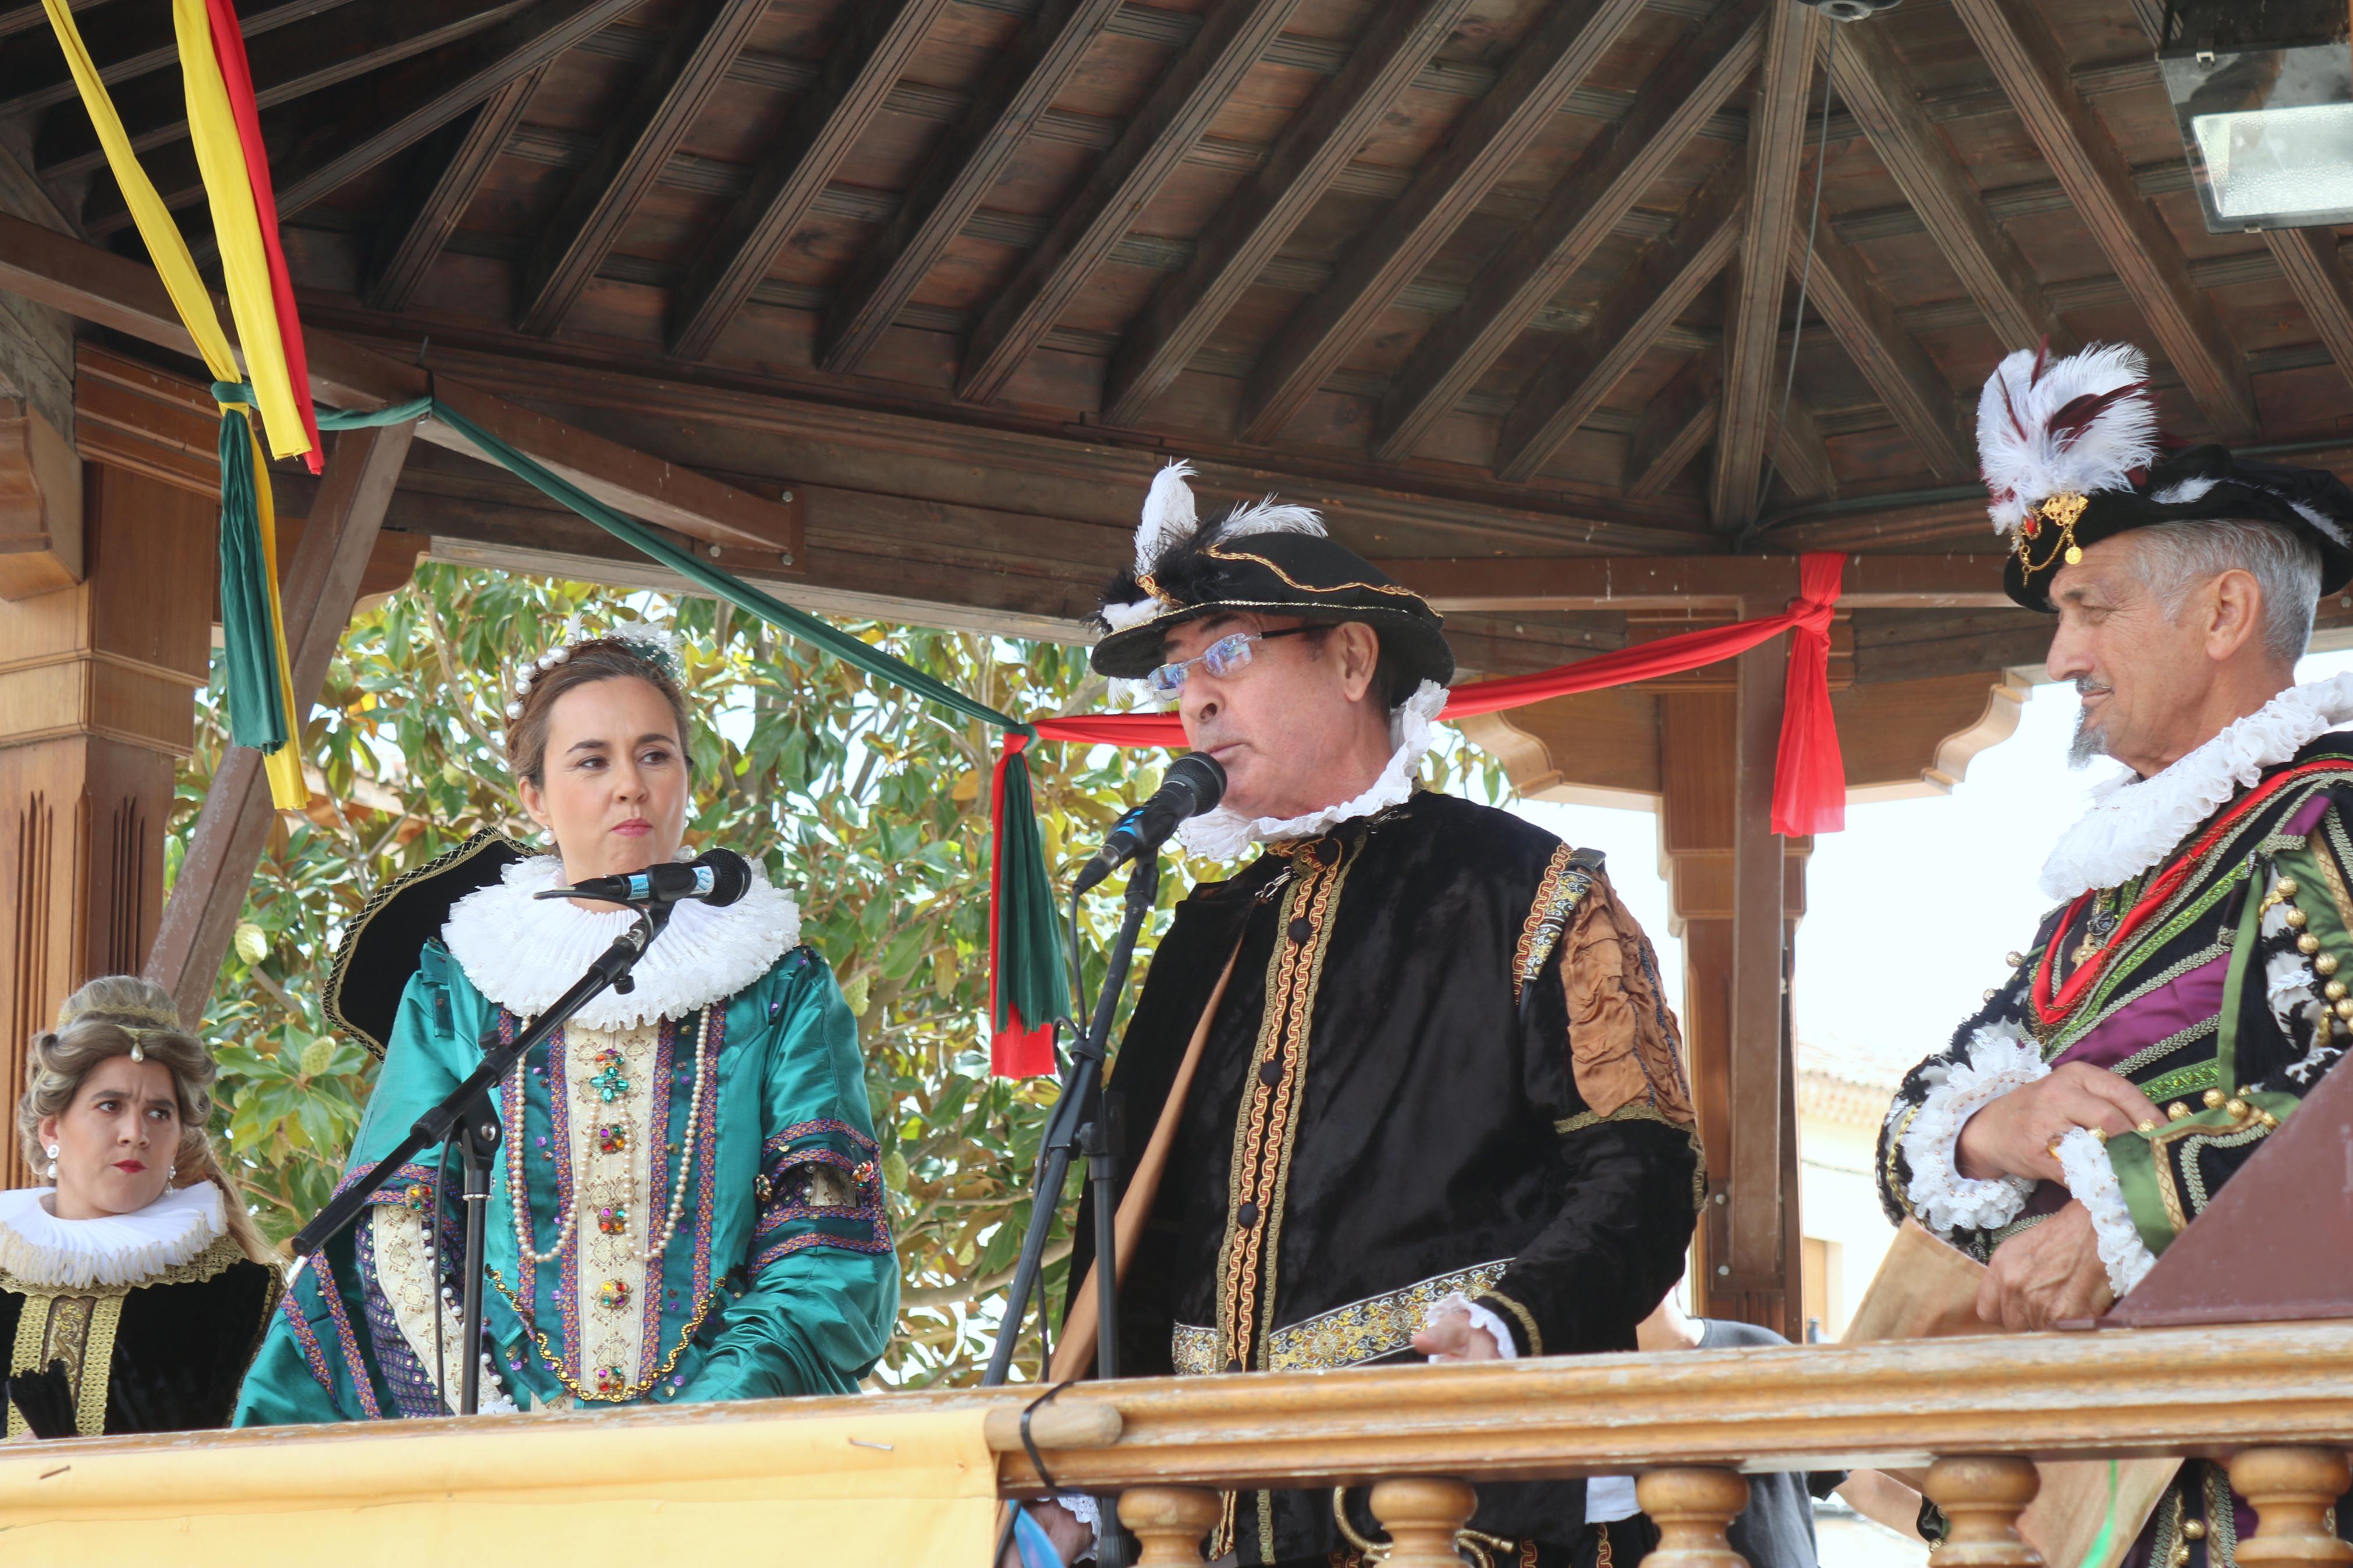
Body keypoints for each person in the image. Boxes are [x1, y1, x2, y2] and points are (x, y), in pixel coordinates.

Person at [1028, 464, 1704, 1566]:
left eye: (1229, 653)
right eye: (1178, 670)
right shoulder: (1202, 933)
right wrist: (1086, 1474)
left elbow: (1644, 1169)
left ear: (1349, 659)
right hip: (1209, 1530)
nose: (1192, 697)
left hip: (1448, 1513)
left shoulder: (1525, 888)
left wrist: (1506, 1324)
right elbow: (1131, 1251)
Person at [1879, 342, 2353, 1563]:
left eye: (2090, 610)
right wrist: (1999, 1125)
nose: (2058, 661)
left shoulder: (2328, 815)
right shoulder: (2112, 880)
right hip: (2127, 1489)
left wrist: (2120, 1210)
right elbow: (1920, 1124)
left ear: (2222, 614)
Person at [236, 624, 896, 1422]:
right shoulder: (464, 984)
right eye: (592, 760)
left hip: (728, 1448)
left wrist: (705, 1417)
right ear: (535, 797)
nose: (630, 785)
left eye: (655, 754)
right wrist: (491, 1418)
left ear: (687, 776)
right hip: (495, 1447)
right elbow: (396, 1230)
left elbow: (825, 1230)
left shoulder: (780, 985)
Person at [0, 976, 281, 1439]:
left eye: (159, 1112)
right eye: (110, 1105)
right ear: (52, 1130)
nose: (136, 1131)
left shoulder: (241, 1293)